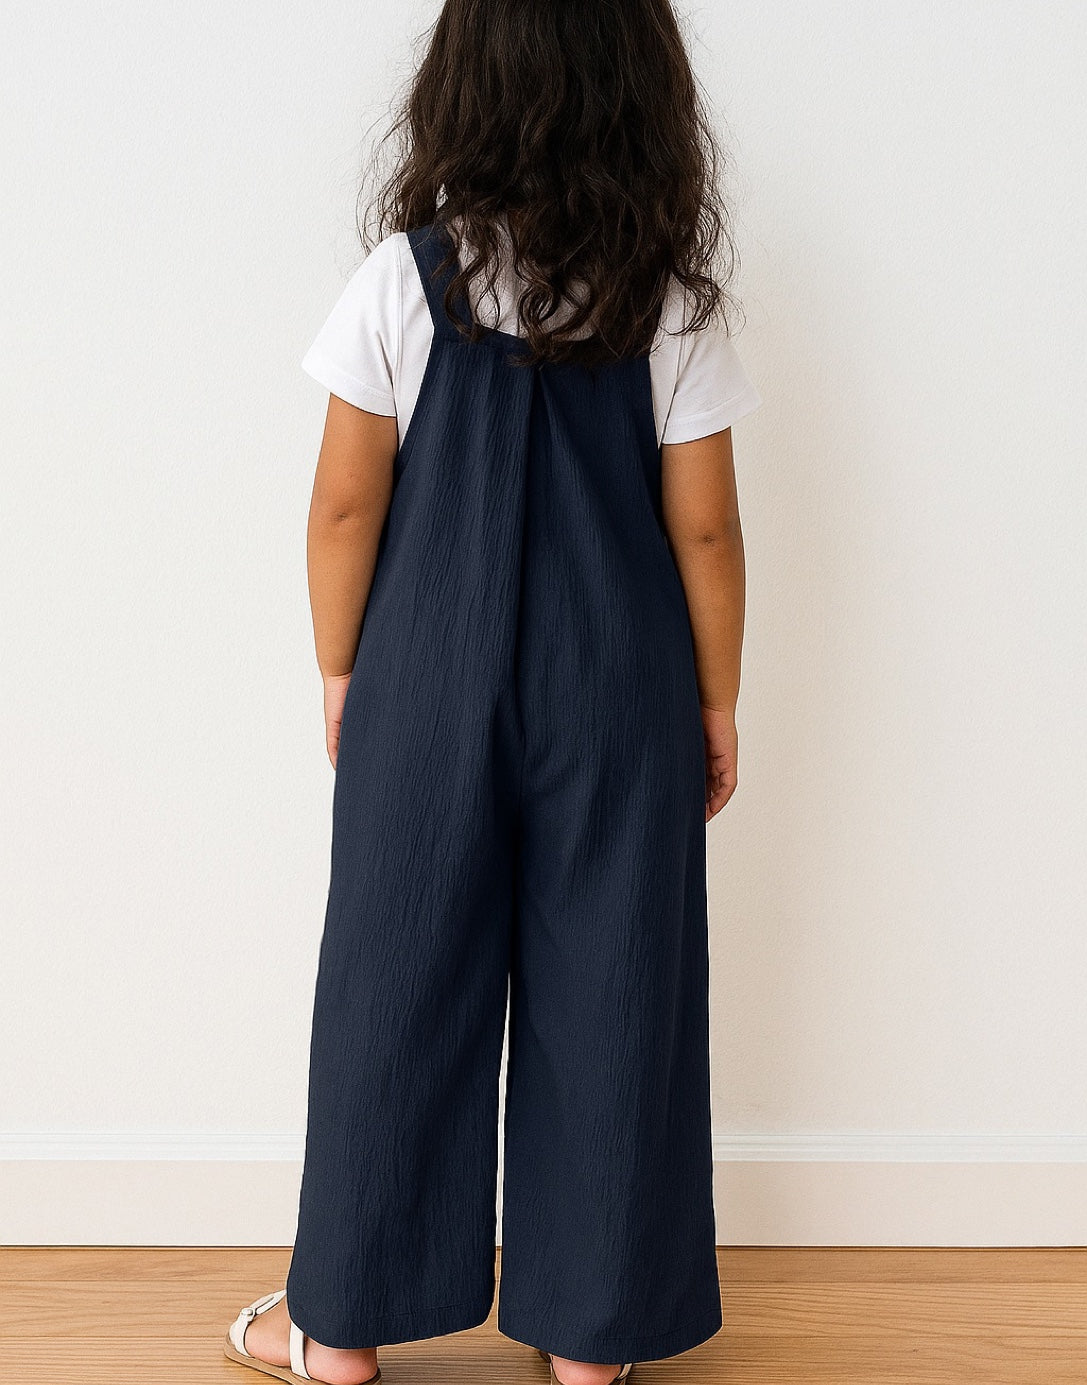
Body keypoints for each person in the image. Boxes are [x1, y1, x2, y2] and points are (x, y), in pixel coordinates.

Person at [223, 2, 761, 1383]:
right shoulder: (671, 301)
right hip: (617, 691)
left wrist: (343, 670)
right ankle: (594, 1338)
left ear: (462, 88)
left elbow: (345, 508)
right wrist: (717, 701)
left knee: (392, 983)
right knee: (614, 984)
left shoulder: (400, 285)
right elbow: (704, 530)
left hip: (426, 679)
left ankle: (336, 1325)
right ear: (646, 97)